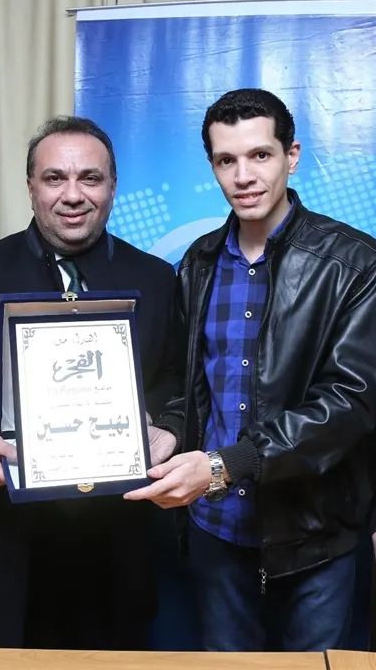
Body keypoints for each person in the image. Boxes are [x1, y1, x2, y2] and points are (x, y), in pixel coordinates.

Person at [0, 115, 182, 650]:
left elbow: (177, 379)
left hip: (114, 553)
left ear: (113, 186)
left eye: (90, 178)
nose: (72, 195)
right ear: (31, 186)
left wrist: (169, 427)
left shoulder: (155, 277)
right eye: (55, 178)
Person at [127, 88, 376, 651]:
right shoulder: (198, 262)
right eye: (226, 160)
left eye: (260, 155)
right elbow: (192, 384)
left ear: (292, 155)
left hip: (315, 533)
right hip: (216, 529)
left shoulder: (355, 264)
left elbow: (349, 403)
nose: (243, 176)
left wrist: (225, 464)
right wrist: (168, 430)